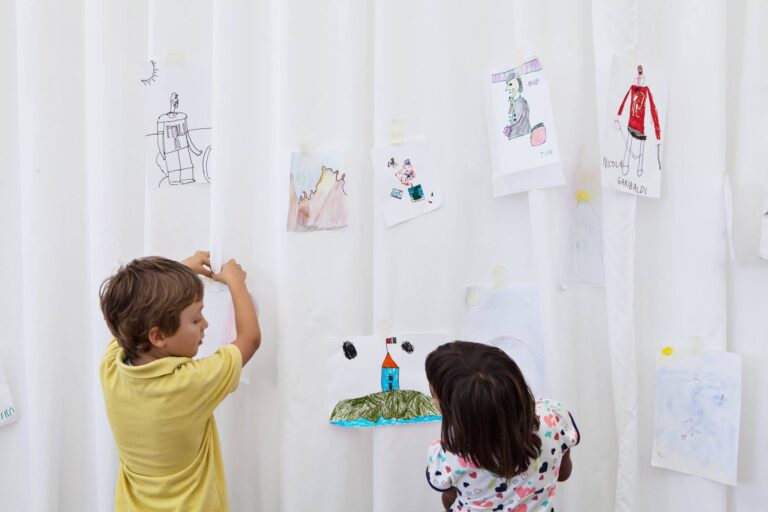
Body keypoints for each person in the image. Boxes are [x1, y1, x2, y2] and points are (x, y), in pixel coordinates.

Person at [99, 251, 261, 511]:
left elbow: (127, 316)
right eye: (196, 319)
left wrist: (181, 273)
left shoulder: (111, 369)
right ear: (158, 336)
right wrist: (236, 282)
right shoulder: (189, 383)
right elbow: (249, 339)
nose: (205, 324)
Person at [425, 341, 579, 512]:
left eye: (433, 394)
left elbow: (449, 500)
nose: (432, 400)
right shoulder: (554, 417)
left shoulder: (447, 454)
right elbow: (564, 473)